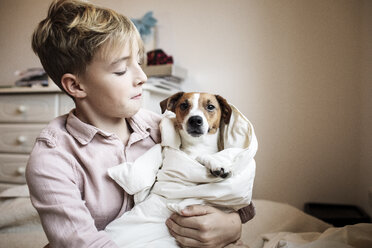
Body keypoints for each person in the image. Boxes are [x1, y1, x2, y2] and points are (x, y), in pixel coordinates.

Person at [26, 0, 255, 247]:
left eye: (139, 62)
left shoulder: (164, 128)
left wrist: (231, 225)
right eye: (122, 69)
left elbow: (228, 188)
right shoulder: (52, 159)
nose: (143, 77)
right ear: (76, 86)